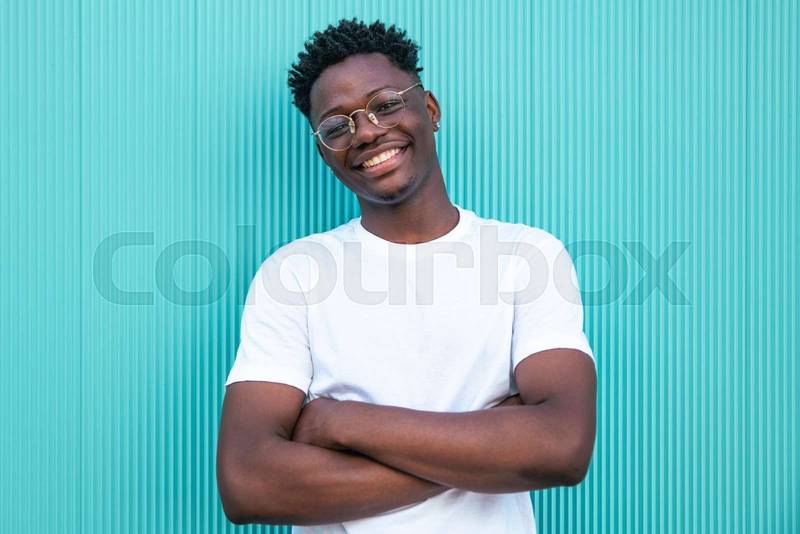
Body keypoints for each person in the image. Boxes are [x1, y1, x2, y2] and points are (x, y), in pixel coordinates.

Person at [216, 17, 596, 534]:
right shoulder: (294, 273)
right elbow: (247, 484)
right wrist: (491, 442)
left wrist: (341, 423)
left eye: (386, 103)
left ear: (430, 110)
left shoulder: (527, 256)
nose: (367, 131)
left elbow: (562, 448)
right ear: (324, 150)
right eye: (336, 126)